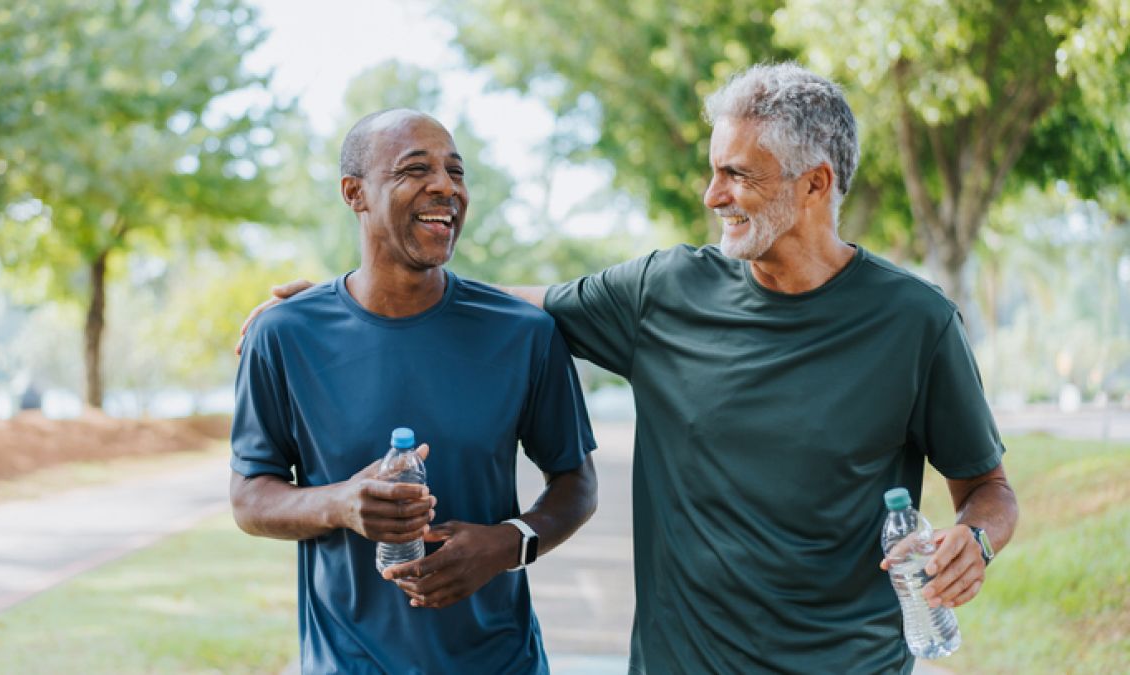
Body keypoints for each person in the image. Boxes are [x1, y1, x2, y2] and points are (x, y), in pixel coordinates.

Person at [240, 64, 1018, 674]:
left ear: (815, 183)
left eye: (738, 175)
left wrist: (973, 543)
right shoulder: (666, 290)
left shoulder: (916, 321)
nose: (713, 195)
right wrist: (339, 296)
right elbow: (512, 305)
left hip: (851, 665)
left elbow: (988, 489)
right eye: (715, 170)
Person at [231, 108, 598, 675]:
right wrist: (340, 502)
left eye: (456, 171)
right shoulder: (284, 335)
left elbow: (576, 482)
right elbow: (250, 499)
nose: (445, 187)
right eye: (414, 169)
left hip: (502, 661)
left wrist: (509, 543)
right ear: (355, 193)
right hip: (348, 663)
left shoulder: (524, 333)